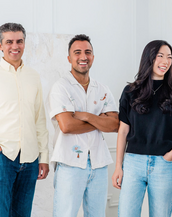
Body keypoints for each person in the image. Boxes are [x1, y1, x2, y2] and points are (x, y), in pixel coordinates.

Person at [0, 23, 49, 217]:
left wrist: (43, 158)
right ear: (0, 45)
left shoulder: (33, 76)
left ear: (25, 43)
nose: (15, 46)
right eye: (9, 42)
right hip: (1, 157)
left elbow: (40, 120)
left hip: (30, 158)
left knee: (22, 214)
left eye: (19, 41)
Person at [47, 34, 119, 217]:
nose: (83, 56)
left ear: (93, 57)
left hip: (99, 162)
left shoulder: (102, 89)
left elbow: (114, 124)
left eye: (88, 52)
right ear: (69, 58)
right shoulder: (60, 87)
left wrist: (86, 116)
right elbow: (67, 126)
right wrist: (99, 120)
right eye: (77, 52)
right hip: (70, 163)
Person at [112, 40, 172, 217]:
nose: (165, 61)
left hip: (164, 165)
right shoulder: (130, 91)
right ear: (149, 58)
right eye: (160, 56)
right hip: (132, 163)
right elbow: (123, 131)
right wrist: (118, 166)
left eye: (169, 57)